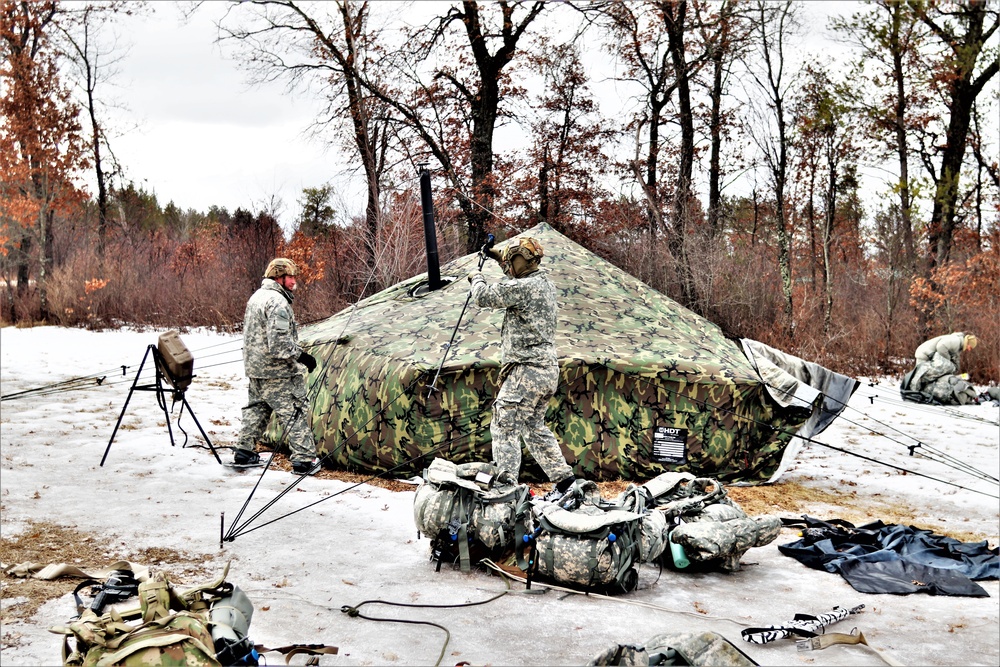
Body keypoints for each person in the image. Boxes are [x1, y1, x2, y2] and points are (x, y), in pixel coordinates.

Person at [469, 237, 576, 498]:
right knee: (535, 429)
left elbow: (483, 297)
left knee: (504, 426)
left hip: (526, 372)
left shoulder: (523, 288)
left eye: (511, 260)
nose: (509, 266)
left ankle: (505, 491)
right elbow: (514, 275)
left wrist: (475, 277)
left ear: (522, 262)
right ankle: (566, 484)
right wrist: (497, 257)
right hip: (546, 370)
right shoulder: (544, 284)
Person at [233, 258, 321, 475]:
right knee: (294, 412)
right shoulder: (278, 303)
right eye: (290, 277)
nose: (294, 282)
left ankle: (244, 451)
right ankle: (304, 460)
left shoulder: (257, 297)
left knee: (257, 409)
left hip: (256, 369)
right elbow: (280, 345)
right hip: (277, 372)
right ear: (278, 278)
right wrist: (303, 357)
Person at [902, 332, 979, 406]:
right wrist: (948, 361)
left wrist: (955, 367)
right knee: (941, 368)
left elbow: (955, 358)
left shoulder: (958, 344)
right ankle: (914, 389)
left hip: (926, 354)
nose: (969, 350)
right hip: (925, 354)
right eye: (970, 347)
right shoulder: (956, 341)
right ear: (968, 343)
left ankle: (920, 390)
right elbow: (940, 347)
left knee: (944, 370)